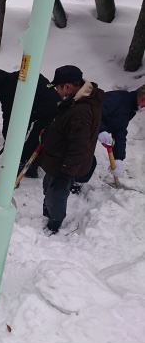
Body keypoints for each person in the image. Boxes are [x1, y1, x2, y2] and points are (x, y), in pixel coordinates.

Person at [40, 66, 103, 234]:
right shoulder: (78, 101)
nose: (56, 91)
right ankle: (49, 210)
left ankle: (55, 222)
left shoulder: (80, 111)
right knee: (48, 186)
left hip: (64, 166)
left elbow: (79, 147)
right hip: (57, 160)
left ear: (67, 86)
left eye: (58, 88)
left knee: (56, 194)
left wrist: (66, 174)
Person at [0, 68, 60, 178]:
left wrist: (9, 138)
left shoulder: (9, 90)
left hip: (48, 110)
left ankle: (17, 169)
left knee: (35, 138)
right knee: (34, 137)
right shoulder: (16, 79)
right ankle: (30, 167)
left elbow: (9, 117)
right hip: (42, 106)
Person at [71, 84, 145, 193]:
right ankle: (71, 186)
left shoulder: (130, 108)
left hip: (88, 134)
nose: (143, 106)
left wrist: (118, 158)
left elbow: (120, 132)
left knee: (87, 162)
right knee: (88, 162)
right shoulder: (117, 99)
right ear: (141, 97)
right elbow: (93, 112)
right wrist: (100, 130)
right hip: (76, 129)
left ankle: (74, 184)